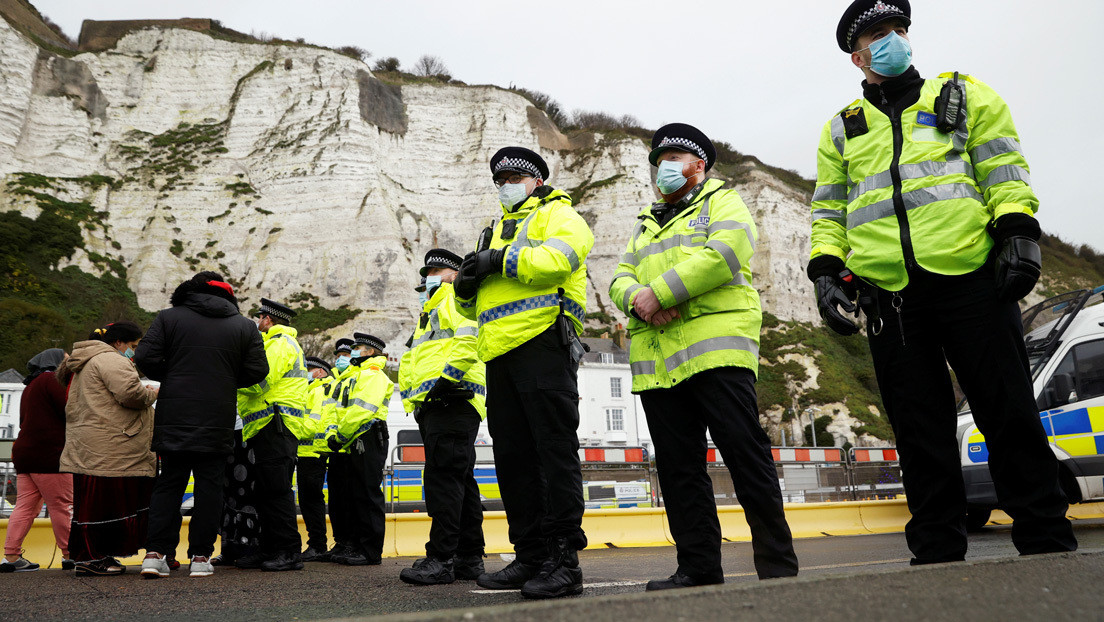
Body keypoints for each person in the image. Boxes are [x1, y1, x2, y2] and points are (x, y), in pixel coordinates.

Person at [808, 0, 1077, 564]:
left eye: (898, 29)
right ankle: (936, 551)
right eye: (878, 35)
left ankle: (1047, 541)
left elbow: (1003, 169)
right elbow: (829, 211)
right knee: (918, 429)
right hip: (889, 297)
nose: (893, 39)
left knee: (1008, 411)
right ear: (858, 58)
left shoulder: (962, 96)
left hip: (971, 279)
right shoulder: (841, 130)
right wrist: (826, 270)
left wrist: (1017, 232)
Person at [609, 123, 799, 589]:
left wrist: (658, 292)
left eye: (674, 159)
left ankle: (777, 567)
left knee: (745, 455)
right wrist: (639, 300)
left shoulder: (723, 201)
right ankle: (698, 568)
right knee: (679, 470)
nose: (664, 168)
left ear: (700, 165)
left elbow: (725, 253)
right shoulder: (645, 223)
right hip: (660, 363)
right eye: (659, 161)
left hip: (717, 352)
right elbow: (618, 278)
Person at [454, 146, 593, 599]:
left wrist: (498, 261)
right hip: (499, 353)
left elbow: (558, 262)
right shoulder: (491, 231)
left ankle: (564, 561)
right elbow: (473, 308)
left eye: (515, 178)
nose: (506, 186)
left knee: (553, 452)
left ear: (537, 181)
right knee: (513, 459)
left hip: (543, 343)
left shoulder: (559, 215)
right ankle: (530, 555)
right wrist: (464, 288)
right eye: (500, 180)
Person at [136, 272, 269, 579]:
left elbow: (145, 357)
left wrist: (174, 374)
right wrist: (224, 378)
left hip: (175, 415)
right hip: (217, 417)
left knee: (169, 484)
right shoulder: (244, 325)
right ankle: (200, 557)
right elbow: (258, 369)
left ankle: (155, 555)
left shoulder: (169, 318)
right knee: (210, 488)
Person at [398, 249, 487, 585]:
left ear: (453, 274)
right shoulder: (430, 310)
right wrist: (416, 399)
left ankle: (441, 558)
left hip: (453, 397)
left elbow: (469, 339)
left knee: (443, 481)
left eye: (435, 271)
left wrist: (447, 381)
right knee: (460, 479)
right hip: (440, 402)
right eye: (427, 273)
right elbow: (414, 359)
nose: (429, 278)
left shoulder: (455, 297)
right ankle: (468, 558)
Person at [58, 322, 159, 576]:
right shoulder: (110, 360)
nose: (133, 351)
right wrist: (152, 393)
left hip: (91, 444)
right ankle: (94, 558)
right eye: (132, 345)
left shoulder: (85, 362)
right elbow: (131, 394)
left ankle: (91, 556)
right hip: (111, 446)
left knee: (91, 505)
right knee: (107, 504)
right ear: (118, 342)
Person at [235, 298, 310, 571]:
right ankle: (269, 548)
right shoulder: (274, 344)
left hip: (276, 425)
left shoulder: (280, 344)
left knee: (277, 491)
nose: (258, 322)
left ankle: (289, 551)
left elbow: (259, 383)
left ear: (267, 320)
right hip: (267, 426)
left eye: (260, 318)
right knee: (266, 492)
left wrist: (229, 380)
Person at [325, 333, 392, 566]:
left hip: (368, 436)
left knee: (367, 495)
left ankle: (370, 551)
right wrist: (336, 434)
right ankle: (355, 546)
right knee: (355, 495)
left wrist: (341, 435)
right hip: (355, 438)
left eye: (357, 347)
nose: (353, 351)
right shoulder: (357, 375)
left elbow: (362, 411)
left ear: (370, 351)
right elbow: (339, 410)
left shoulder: (373, 375)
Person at [3, 349, 72, 573]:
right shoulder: (52, 380)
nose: (70, 363)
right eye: (66, 359)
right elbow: (70, 410)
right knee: (62, 505)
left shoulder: (30, 385)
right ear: (56, 362)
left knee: (25, 507)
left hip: (25, 454)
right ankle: (71, 553)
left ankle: (11, 556)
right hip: (49, 454)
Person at [298, 356, 336, 562]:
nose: (307, 373)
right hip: (307, 453)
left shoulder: (319, 391)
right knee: (308, 501)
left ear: (320, 372)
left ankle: (317, 545)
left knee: (311, 501)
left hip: (313, 453)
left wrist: (291, 430)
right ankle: (316, 544)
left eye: (310, 369)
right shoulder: (311, 390)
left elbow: (312, 424)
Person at [321, 338, 356, 562]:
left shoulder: (355, 377)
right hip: (334, 446)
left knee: (349, 498)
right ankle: (340, 541)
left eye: (346, 355)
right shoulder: (333, 381)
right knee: (335, 500)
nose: (341, 359)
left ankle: (350, 542)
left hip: (349, 445)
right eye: (339, 355)